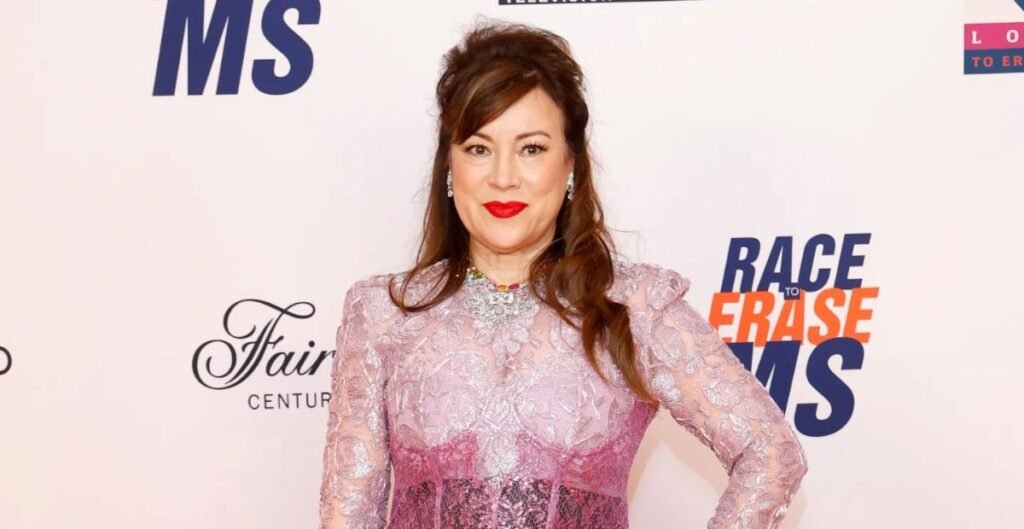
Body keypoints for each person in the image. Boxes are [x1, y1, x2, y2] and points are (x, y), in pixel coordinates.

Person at [318, 19, 807, 529]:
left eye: (531, 148)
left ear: (570, 165)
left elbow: (771, 454)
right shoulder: (384, 313)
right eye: (479, 148)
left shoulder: (634, 305)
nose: (503, 177)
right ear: (449, 166)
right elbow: (348, 514)